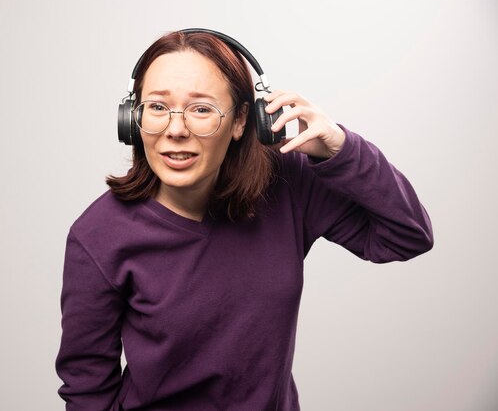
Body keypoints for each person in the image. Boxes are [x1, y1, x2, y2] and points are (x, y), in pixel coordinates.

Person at [55, 29, 434, 411]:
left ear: (240, 122)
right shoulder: (98, 236)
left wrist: (341, 147)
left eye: (201, 109)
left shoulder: (288, 185)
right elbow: (87, 389)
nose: (175, 130)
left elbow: (407, 236)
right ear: (131, 119)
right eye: (157, 107)